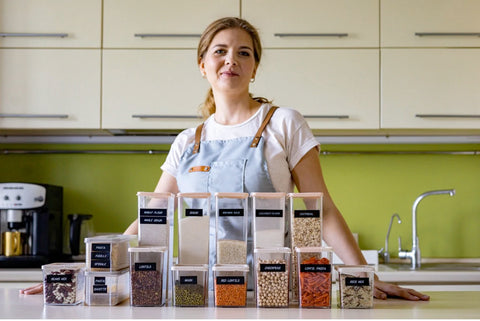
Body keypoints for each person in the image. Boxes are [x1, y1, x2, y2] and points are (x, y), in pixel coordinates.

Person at [21, 17, 429, 301]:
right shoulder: (187, 141)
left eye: (244, 53)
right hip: (199, 292)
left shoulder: (284, 123)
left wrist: (363, 276)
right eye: (220, 51)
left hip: (276, 289)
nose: (231, 59)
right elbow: (149, 220)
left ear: (254, 68)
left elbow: (319, 208)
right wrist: (86, 272)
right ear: (203, 65)